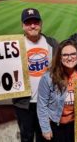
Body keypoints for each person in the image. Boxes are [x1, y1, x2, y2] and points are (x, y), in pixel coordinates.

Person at [12, 8, 58, 142]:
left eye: (36, 22)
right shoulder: (15, 46)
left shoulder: (52, 43)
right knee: (26, 137)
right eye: (28, 23)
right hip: (23, 104)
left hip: (46, 103)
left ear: (41, 23)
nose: (32, 26)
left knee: (45, 137)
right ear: (22, 25)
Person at [37, 40, 77, 142]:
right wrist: (45, 129)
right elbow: (42, 105)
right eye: (65, 55)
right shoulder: (48, 77)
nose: (69, 58)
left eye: (73, 54)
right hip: (57, 126)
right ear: (60, 57)